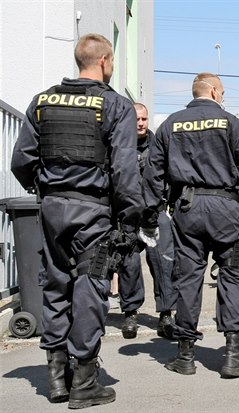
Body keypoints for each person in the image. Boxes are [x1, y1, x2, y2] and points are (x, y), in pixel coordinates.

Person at [11, 33, 143, 408]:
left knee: (55, 284)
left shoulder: (43, 101)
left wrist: (48, 189)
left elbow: (21, 161)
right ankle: (84, 380)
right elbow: (124, 168)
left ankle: (56, 378)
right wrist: (130, 217)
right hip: (93, 212)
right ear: (105, 60)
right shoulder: (115, 105)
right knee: (90, 287)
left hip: (52, 208)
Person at [141, 72, 239, 378]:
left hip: (187, 209)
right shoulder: (232, 123)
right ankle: (233, 354)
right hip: (226, 210)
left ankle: (185, 355)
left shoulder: (170, 124)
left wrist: (150, 215)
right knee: (233, 275)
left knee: (188, 279)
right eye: (222, 92)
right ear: (215, 92)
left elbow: (153, 173)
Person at [115, 103, 177, 339]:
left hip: (156, 212)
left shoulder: (159, 146)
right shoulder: (119, 146)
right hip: (128, 216)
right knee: (128, 264)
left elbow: (171, 175)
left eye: (144, 118)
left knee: (163, 264)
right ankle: (130, 314)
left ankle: (165, 315)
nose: (140, 123)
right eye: (136, 119)